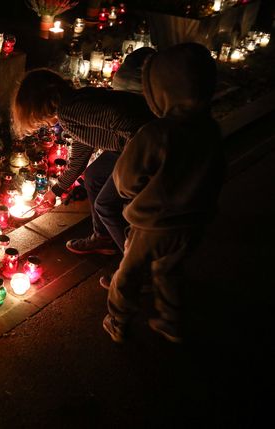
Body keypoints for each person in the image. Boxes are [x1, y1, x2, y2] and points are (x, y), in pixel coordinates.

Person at [102, 43, 226, 344]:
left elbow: (125, 180)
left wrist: (136, 195)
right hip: (194, 223)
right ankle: (169, 319)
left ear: (160, 89)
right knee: (168, 270)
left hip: (153, 225)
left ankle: (117, 319)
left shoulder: (157, 133)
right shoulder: (210, 130)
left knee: (128, 274)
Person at [12, 69, 154, 254]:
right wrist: (56, 190)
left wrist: (131, 162)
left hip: (145, 144)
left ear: (38, 106)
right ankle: (103, 237)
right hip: (129, 145)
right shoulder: (72, 110)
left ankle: (135, 264)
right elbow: (80, 156)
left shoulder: (70, 110)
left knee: (106, 205)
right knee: (94, 175)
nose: (40, 124)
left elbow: (122, 118)